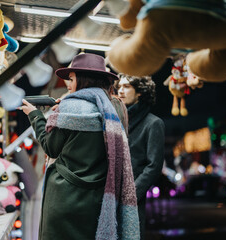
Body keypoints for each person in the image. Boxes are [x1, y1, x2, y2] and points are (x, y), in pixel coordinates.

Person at [20, 53, 140, 240]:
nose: (68, 83)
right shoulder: (113, 108)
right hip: (95, 200)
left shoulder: (70, 107)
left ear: (83, 79)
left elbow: (50, 147)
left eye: (71, 78)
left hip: (63, 198)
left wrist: (35, 116)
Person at [115, 74, 165, 240]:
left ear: (140, 93)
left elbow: (154, 166)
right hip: (107, 194)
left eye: (127, 86)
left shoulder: (153, 123)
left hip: (132, 197)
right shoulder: (115, 120)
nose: (120, 90)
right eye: (119, 86)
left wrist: (131, 193)